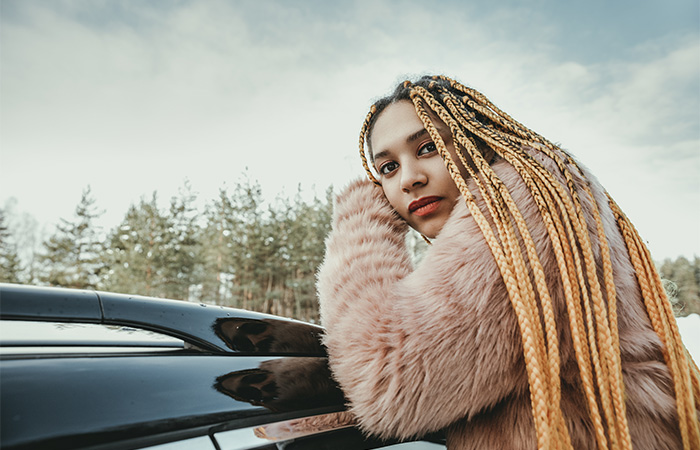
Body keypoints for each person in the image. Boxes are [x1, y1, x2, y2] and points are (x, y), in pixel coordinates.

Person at [316, 75, 700, 450]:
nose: (409, 180)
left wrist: (361, 220)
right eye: (388, 168)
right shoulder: (550, 198)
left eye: (428, 147)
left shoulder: (518, 206)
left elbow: (387, 382)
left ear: (478, 141)